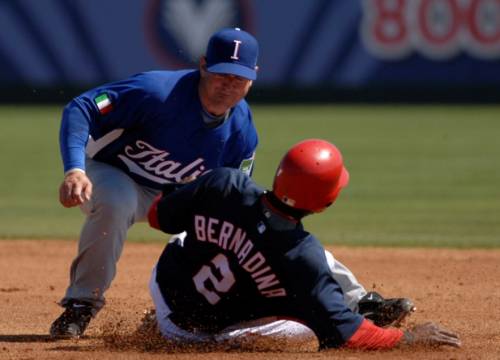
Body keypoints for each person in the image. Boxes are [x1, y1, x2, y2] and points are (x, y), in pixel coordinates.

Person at [146, 139, 461, 350]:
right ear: (326, 202)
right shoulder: (301, 256)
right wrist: (407, 339)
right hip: (200, 338)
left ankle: (154, 323)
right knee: (312, 322)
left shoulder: (225, 183)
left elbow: (157, 216)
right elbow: (347, 336)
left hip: (164, 292)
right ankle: (357, 308)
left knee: (187, 238)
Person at [50, 27, 260, 338]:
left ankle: (176, 312)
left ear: (254, 76)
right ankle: (81, 305)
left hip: (172, 195)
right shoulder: (155, 91)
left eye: (239, 78)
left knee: (222, 226)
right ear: (203, 65)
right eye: (221, 74)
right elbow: (83, 107)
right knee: (116, 201)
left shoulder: (242, 132)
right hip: (111, 171)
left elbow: (232, 199)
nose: (229, 84)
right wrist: (74, 169)